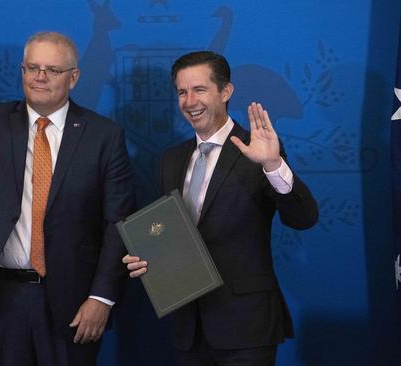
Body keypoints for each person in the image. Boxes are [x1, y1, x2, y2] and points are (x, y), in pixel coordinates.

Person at [0, 31, 134, 366]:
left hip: (73, 298)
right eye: (31, 68)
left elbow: (119, 223)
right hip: (0, 296)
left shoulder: (104, 135)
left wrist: (101, 297)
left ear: (73, 78)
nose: (39, 77)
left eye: (51, 70)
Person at [123, 51, 319, 366]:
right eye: (182, 92)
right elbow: (172, 235)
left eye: (199, 89)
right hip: (189, 326)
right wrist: (147, 257)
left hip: (246, 328)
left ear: (225, 92)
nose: (189, 101)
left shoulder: (258, 149)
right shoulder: (171, 159)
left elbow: (304, 217)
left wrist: (272, 164)